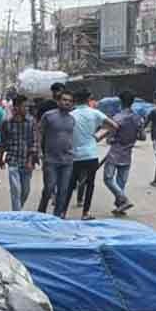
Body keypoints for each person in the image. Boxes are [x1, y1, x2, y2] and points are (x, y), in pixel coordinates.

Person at [69, 89, 118, 221]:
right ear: (88, 99)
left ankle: (62, 212)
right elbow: (114, 126)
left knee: (70, 184)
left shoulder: (70, 115)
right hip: (91, 155)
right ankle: (85, 213)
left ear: (75, 100)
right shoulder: (95, 113)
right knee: (90, 184)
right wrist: (98, 137)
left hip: (74, 156)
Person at [103, 90, 145, 216]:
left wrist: (114, 139)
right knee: (121, 181)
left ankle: (124, 199)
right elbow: (142, 137)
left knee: (108, 179)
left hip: (115, 153)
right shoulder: (138, 118)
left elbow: (109, 138)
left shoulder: (117, 118)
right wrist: (130, 137)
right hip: (127, 153)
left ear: (121, 102)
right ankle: (120, 205)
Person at [37, 90, 76, 218]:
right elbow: (39, 133)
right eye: (64, 100)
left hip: (67, 160)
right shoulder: (48, 116)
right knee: (49, 188)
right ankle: (41, 213)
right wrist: (39, 151)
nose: (67, 103)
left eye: (69, 101)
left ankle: (57, 216)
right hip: (51, 159)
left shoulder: (72, 119)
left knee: (63, 190)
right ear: (59, 101)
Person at [0, 95, 38, 211]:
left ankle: (17, 210)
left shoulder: (31, 122)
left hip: (27, 161)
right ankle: (17, 213)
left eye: (27, 106)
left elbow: (34, 142)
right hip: (12, 160)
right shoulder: (6, 123)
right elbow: (3, 142)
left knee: (25, 190)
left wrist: (31, 160)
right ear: (16, 107)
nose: (26, 108)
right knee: (15, 189)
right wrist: (0, 158)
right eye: (24, 106)